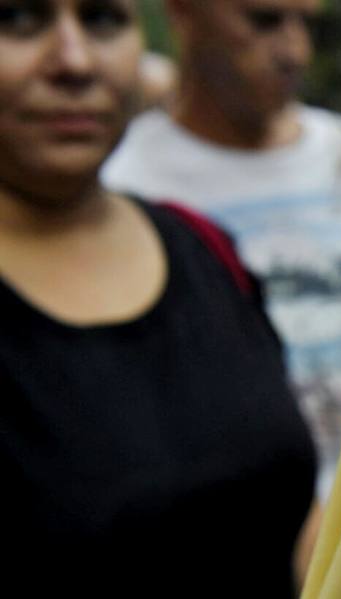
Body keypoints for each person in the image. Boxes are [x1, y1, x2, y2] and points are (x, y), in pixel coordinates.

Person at [0, 1, 316, 595]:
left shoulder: (206, 247)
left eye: (101, 20)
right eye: (17, 19)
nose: (75, 62)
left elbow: (280, 499)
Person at [101, 0, 341, 503]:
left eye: (307, 23)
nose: (295, 51)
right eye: (264, 20)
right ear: (183, 13)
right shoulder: (125, 180)